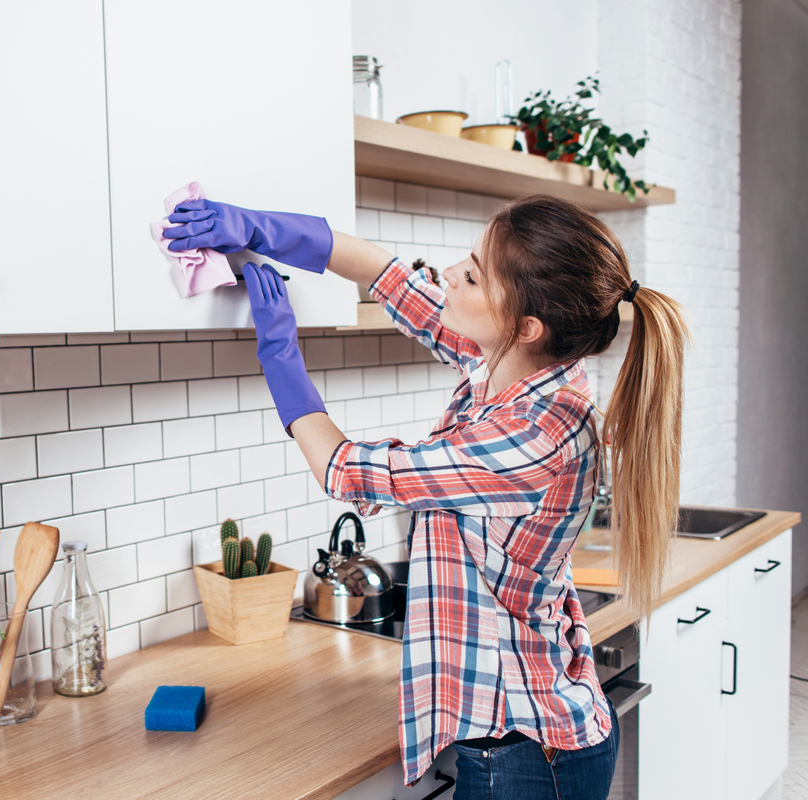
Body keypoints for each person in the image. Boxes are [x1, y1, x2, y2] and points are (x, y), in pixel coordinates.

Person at [164, 193, 690, 800]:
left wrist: (279, 353)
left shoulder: (534, 432)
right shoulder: (515, 365)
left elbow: (346, 470)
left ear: (526, 326)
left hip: (527, 751)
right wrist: (261, 226)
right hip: (517, 731)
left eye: (471, 275)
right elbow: (388, 275)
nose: (448, 277)